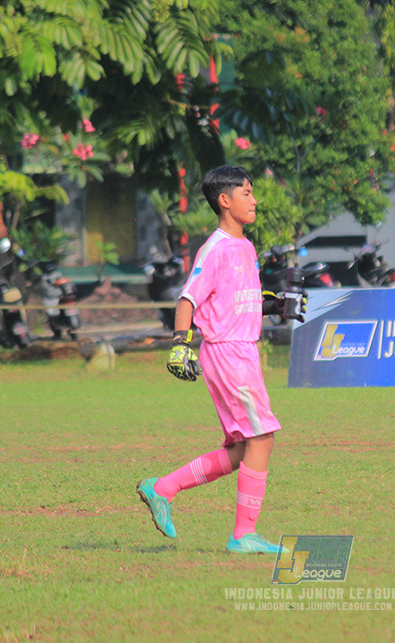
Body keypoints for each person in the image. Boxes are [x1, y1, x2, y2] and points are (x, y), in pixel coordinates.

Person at [136, 165, 304, 554]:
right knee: (262, 437)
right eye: (247, 193)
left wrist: (276, 306)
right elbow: (187, 300)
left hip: (242, 351)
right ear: (225, 200)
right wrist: (180, 346)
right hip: (228, 352)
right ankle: (243, 535)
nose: (254, 200)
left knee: (243, 450)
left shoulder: (245, 247)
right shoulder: (214, 248)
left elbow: (238, 300)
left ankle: (163, 488)